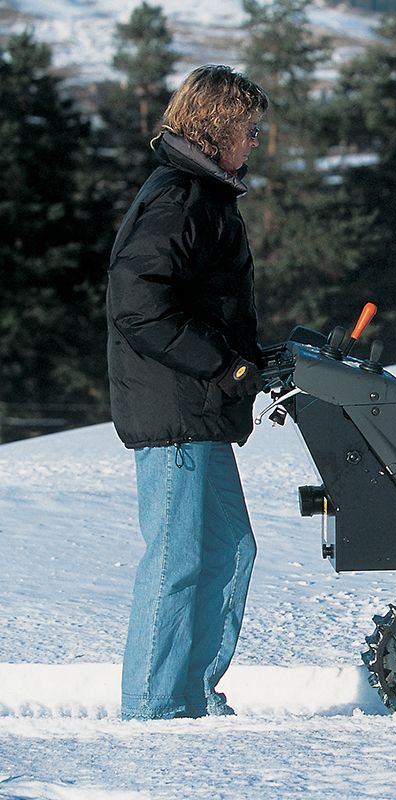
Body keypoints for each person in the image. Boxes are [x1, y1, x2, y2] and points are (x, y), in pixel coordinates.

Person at [106, 64, 270, 720]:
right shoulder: (179, 198)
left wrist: (253, 358)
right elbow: (137, 302)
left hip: (199, 406)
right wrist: (222, 366)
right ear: (217, 128)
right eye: (250, 130)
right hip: (176, 408)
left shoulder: (203, 197)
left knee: (231, 549)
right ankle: (153, 710)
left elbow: (209, 303)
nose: (256, 142)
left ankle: (194, 699)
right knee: (177, 560)